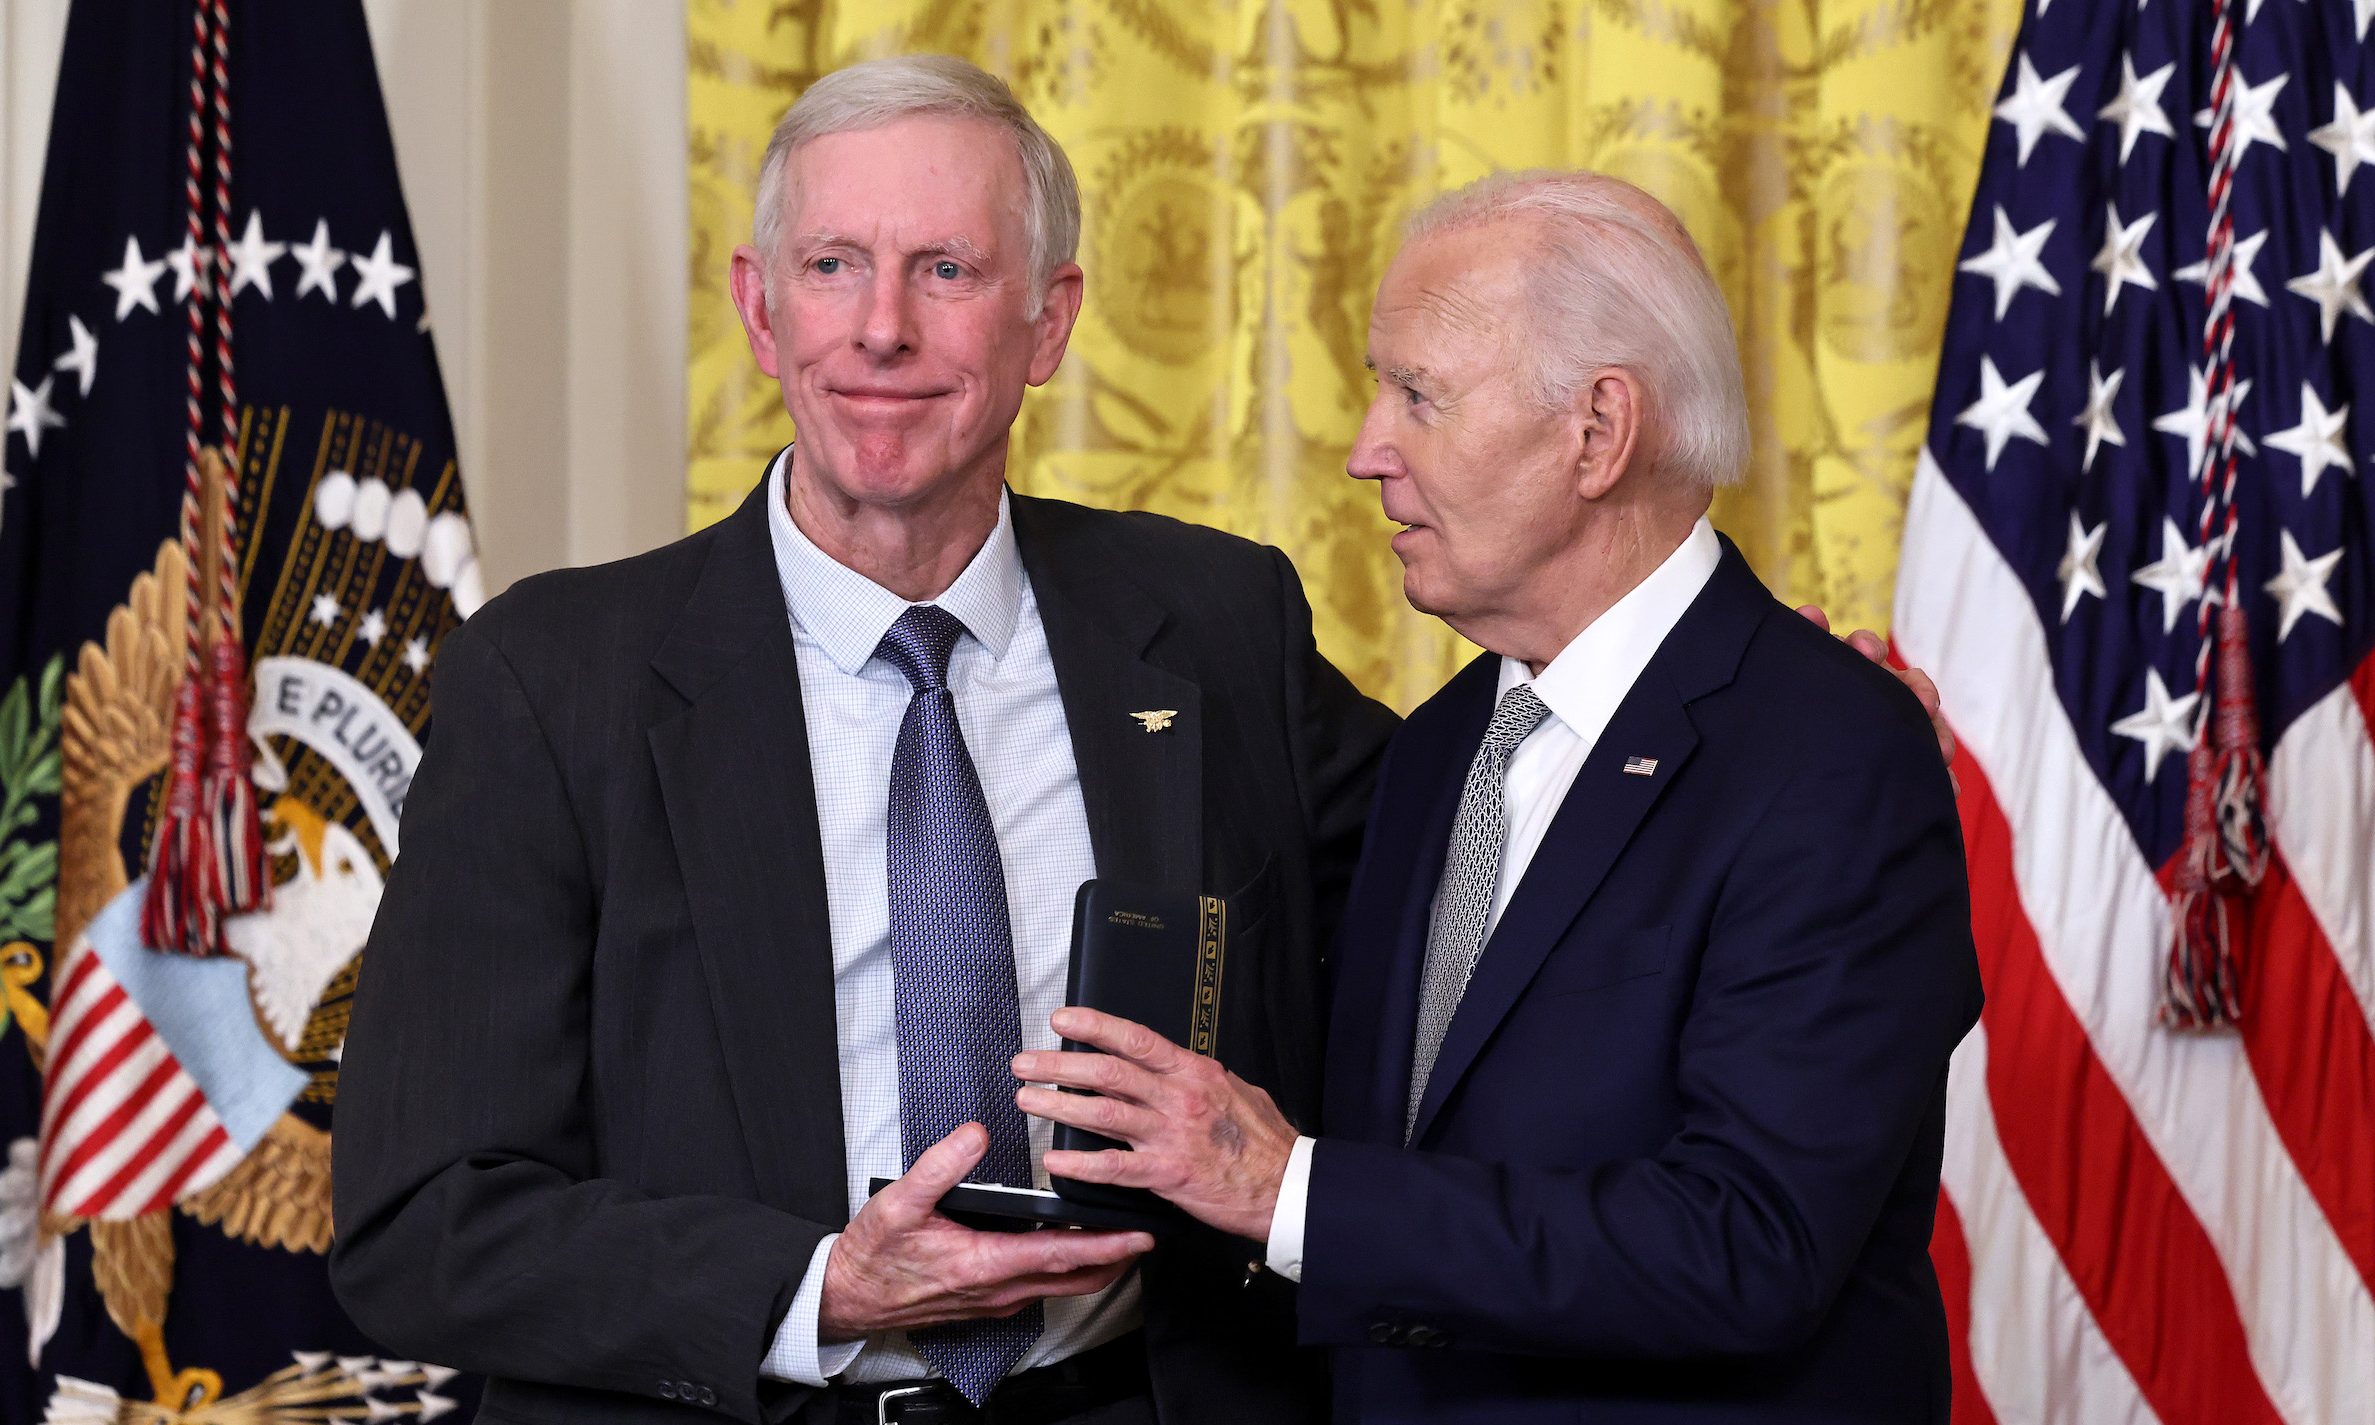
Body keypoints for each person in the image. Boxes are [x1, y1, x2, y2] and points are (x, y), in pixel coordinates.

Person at [332, 56, 1951, 1425]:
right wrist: (819, 1285)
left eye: (946, 272)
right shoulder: (556, 680)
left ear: (1048, 322)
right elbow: (419, 1225)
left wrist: (1763, 714)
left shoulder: (1212, 626)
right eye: (832, 268)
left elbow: (1532, 852)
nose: (879, 329)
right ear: (760, 311)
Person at [1019, 170, 1982, 1423]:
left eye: (1417, 395)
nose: (1366, 450)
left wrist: (1284, 1190)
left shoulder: (1834, 752)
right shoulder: (1436, 750)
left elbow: (1747, 1245)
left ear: (1597, 430)